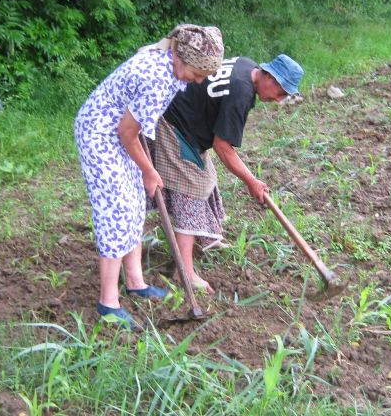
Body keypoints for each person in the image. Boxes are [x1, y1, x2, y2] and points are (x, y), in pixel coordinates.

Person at [74, 24, 224, 329]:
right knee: (116, 210)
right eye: (198, 73)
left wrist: (144, 169)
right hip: (99, 135)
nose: (199, 81)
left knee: (133, 204)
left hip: (118, 134)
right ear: (183, 59)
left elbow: (134, 125)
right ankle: (108, 302)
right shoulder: (158, 77)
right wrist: (150, 171)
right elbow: (127, 131)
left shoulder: (170, 63)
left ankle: (135, 282)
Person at [149, 54, 304, 293]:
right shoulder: (241, 93)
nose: (279, 100)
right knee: (190, 188)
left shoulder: (247, 66)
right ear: (269, 77)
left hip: (187, 119)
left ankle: (206, 237)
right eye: (281, 92)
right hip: (174, 122)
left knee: (207, 178)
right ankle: (185, 273)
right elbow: (223, 147)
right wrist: (251, 181)